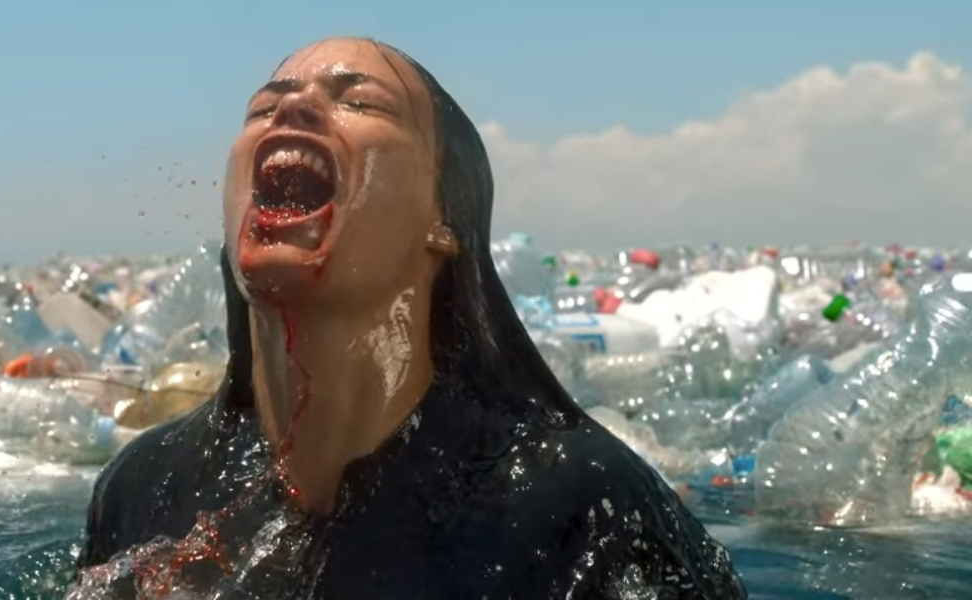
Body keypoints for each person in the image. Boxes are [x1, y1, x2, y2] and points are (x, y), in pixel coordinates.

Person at [74, 38, 748, 599]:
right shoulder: (145, 486)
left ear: (444, 219)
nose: (296, 106)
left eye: (359, 101)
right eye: (264, 107)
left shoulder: (575, 503)